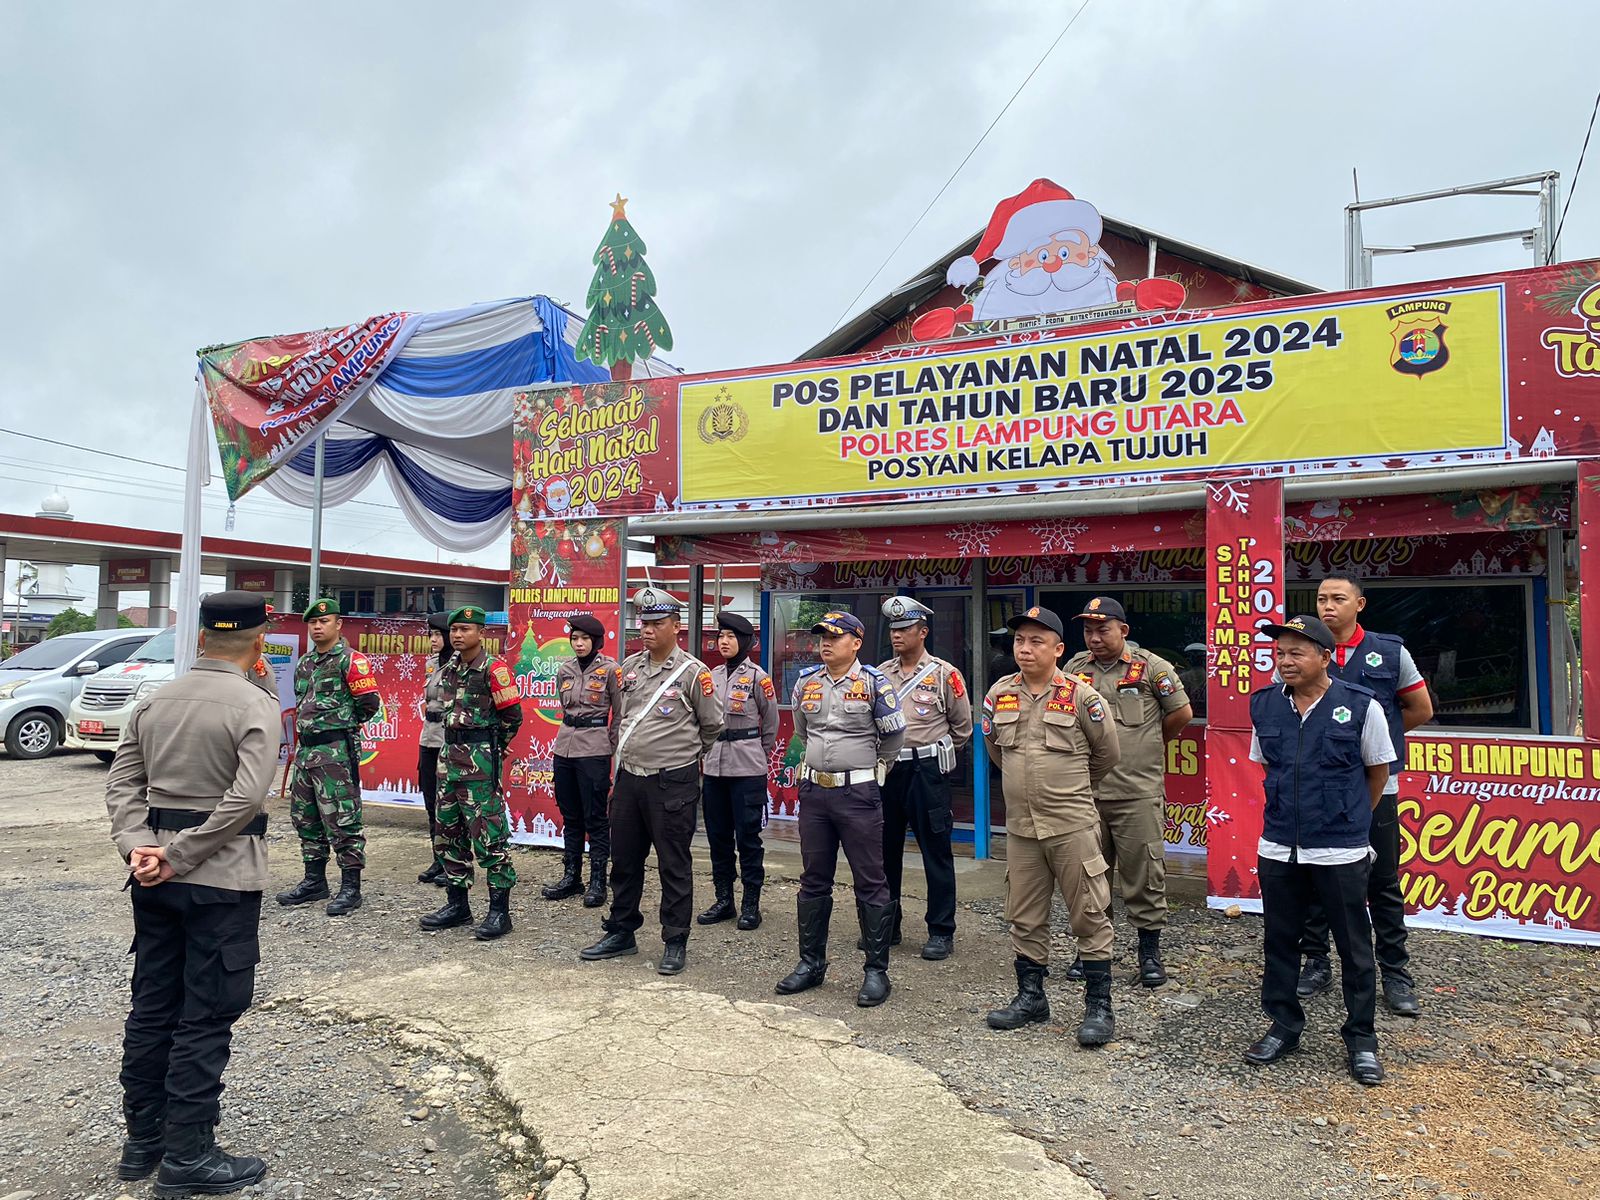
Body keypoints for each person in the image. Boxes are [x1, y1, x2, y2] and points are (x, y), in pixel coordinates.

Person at [105, 591, 279, 1195]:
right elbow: (246, 800)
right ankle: (188, 1156)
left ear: (201, 636)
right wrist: (178, 857)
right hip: (220, 882)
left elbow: (123, 784)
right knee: (204, 1016)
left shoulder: (155, 700)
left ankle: (142, 1141)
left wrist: (140, 849)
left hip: (151, 879)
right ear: (260, 642)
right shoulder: (255, 704)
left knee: (153, 1008)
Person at [1245, 614, 1394, 1087]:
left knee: (1354, 946)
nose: (1285, 661)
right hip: (1279, 847)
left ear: (1325, 658)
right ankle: (1285, 1024)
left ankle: (1361, 1039)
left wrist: (1350, 822)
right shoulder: (1264, 706)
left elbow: (1377, 773)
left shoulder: (1361, 705)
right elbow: (1266, 765)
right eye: (1280, 652)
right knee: (1280, 942)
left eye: (1297, 652)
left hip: (1340, 849)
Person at [982, 606, 1121, 1046]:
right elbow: (996, 750)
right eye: (1020, 640)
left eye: (1036, 641)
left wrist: (1068, 788)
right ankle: (1031, 997)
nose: (1025, 649)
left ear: (1059, 649)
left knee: (1090, 914)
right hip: (1022, 830)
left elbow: (1106, 756)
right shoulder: (998, 694)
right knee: (1023, 916)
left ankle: (1099, 1007)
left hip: (1072, 825)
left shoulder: (1084, 697)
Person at [1299, 574, 1433, 1016]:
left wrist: (1373, 745)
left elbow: (1419, 709)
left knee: (1382, 881)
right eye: (1321, 599)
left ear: (1360, 603)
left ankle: (1395, 973)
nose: (1328, 606)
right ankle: (1316, 962)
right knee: (1316, 876)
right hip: (1319, 785)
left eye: (1338, 598)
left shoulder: (1390, 652)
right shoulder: (1303, 651)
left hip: (1378, 785)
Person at [580, 587, 722, 975]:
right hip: (629, 780)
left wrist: (679, 757)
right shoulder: (630, 668)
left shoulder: (694, 673)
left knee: (673, 865)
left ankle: (675, 941)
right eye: (644, 622)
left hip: (671, 784)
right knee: (624, 861)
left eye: (657, 623)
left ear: (676, 627)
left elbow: (711, 726)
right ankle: (621, 931)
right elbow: (624, 716)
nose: (648, 630)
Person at [775, 609, 906, 1007]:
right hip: (815, 793)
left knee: (870, 879)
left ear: (856, 642)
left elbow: (894, 735)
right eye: (821, 637)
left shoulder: (873, 684)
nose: (825, 643)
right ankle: (811, 964)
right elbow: (802, 729)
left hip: (858, 795)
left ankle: (876, 972)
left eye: (835, 636)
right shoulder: (807, 682)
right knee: (814, 878)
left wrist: (871, 769)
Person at [1063, 597, 1193, 987]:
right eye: (1088, 630)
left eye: (1103, 629)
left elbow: (1180, 715)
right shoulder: (1074, 669)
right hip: (1086, 793)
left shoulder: (1152, 668)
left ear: (1123, 630)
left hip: (1137, 792)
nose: (1094, 637)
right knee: (1089, 877)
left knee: (1144, 875)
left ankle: (1149, 953)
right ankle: (1090, 951)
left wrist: (1147, 744)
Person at [418, 606, 525, 940]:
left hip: (478, 762)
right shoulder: (449, 668)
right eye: (454, 630)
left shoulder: (494, 669)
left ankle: (499, 911)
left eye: (465, 629)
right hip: (447, 758)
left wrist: (493, 748)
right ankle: (458, 904)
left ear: (482, 632)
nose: (458, 635)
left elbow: (513, 717)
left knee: (489, 834)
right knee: (447, 832)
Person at [876, 595, 973, 960]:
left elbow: (962, 728)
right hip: (889, 769)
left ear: (923, 631)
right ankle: (888, 924)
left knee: (936, 851)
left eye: (904, 629)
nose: (897, 635)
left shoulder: (945, 674)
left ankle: (941, 931)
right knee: (885, 851)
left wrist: (933, 756)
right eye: (893, 629)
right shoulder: (881, 673)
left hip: (926, 770)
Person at [276, 598, 380, 917]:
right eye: (313, 623)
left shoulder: (351, 661)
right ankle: (314, 881)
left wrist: (339, 722)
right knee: (305, 817)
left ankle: (351, 886)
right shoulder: (306, 663)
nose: (317, 627)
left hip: (335, 752)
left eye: (324, 622)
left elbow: (369, 704)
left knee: (342, 819)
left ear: (338, 625)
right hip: (307, 752)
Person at [699, 610, 779, 931]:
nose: (725, 642)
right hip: (715, 766)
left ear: (745, 641)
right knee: (718, 837)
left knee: (748, 837)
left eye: (731, 637)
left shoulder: (759, 678)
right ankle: (724, 900)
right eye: (721, 636)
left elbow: (770, 725)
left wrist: (758, 756)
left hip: (747, 767)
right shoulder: (711, 676)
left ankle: (750, 904)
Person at [543, 613, 622, 908]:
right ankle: (571, 877)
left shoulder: (611, 670)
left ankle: (598, 881)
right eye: (574, 639)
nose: (578, 644)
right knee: (571, 815)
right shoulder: (565, 670)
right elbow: (566, 709)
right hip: (565, 747)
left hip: (595, 749)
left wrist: (610, 746)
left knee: (596, 818)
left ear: (596, 641)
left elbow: (620, 713)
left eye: (584, 639)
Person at [416, 612, 452, 886]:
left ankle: (451, 859)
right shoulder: (431, 664)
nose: (433, 640)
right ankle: (437, 858)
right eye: (431, 635)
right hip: (428, 738)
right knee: (431, 802)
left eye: (438, 634)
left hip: (449, 741)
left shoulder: (460, 665)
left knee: (448, 804)